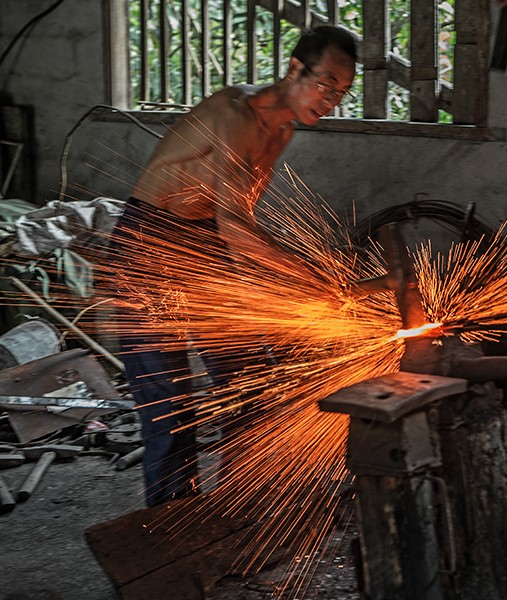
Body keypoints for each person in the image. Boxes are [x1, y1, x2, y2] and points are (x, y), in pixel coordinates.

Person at [108, 25, 358, 507]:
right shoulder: (233, 112)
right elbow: (237, 228)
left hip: (202, 243)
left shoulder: (280, 132)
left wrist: (287, 286)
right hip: (149, 242)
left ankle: (236, 508)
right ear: (294, 69)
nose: (331, 101)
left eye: (342, 93)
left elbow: (235, 228)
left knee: (246, 381)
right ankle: (172, 532)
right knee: (170, 403)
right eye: (325, 84)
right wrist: (311, 277)